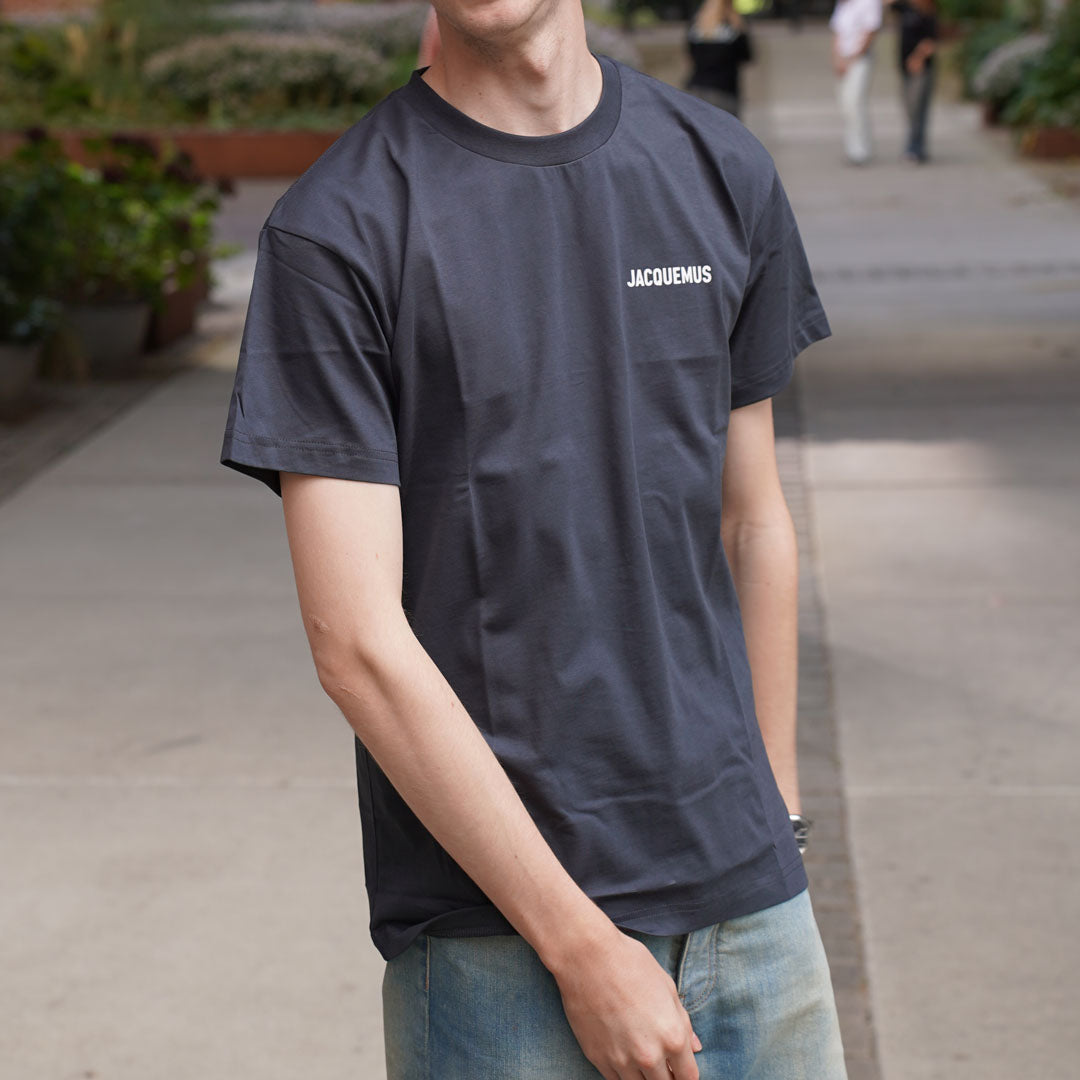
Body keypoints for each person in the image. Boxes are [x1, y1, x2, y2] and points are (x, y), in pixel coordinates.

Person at [218, 0, 847, 1074]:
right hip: (497, 946)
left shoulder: (719, 167)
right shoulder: (338, 227)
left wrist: (777, 824)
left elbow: (752, 520)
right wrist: (579, 946)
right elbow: (357, 645)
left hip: (753, 912)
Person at [830, 0, 883, 164]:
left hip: (860, 59)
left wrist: (852, 58)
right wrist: (837, 58)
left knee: (855, 103)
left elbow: (870, 32)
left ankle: (861, 150)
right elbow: (837, 32)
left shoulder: (869, 3)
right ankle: (851, 147)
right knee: (846, 104)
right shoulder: (843, 4)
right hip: (843, 59)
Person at [685, 0, 754, 119]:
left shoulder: (696, 24)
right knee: (727, 128)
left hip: (697, 88)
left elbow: (689, 55)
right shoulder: (735, 25)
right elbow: (747, 56)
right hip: (725, 89)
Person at [888, 0, 938, 162]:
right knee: (909, 108)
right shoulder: (905, 9)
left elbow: (930, 42)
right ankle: (914, 146)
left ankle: (916, 148)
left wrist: (917, 58)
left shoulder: (928, 14)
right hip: (905, 69)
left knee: (918, 109)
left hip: (921, 69)